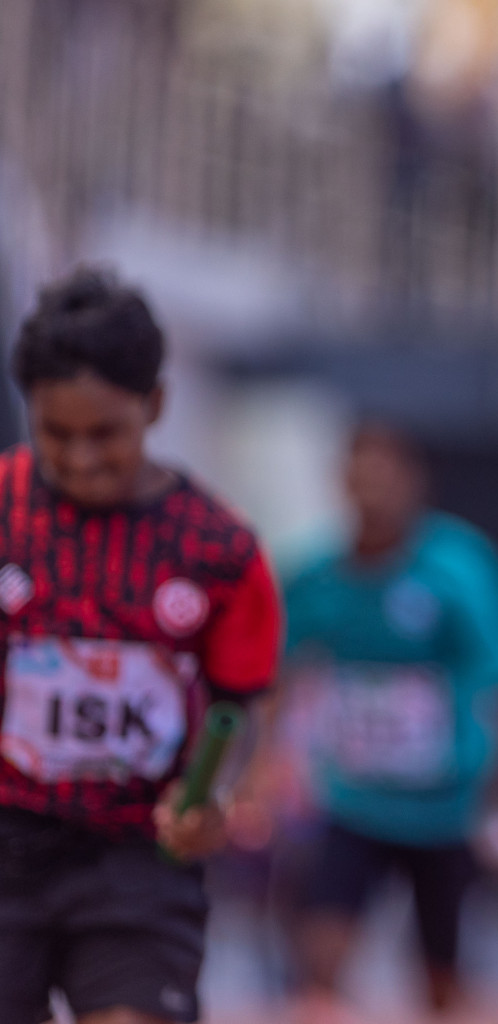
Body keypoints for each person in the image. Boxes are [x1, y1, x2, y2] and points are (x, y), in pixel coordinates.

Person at [0, 266, 283, 1024]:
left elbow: (243, 702)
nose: (82, 458)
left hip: (138, 859)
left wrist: (213, 794)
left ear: (154, 405)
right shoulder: (2, 511)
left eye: (106, 434)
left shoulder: (220, 550)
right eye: (57, 433)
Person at [281, 422, 498, 1016]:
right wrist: (264, 772)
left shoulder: (460, 569)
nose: (372, 495)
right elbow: (273, 678)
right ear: (342, 485)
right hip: (352, 802)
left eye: (386, 478)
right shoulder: (316, 579)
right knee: (318, 961)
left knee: (440, 983)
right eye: (359, 479)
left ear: (414, 483)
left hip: (447, 810)